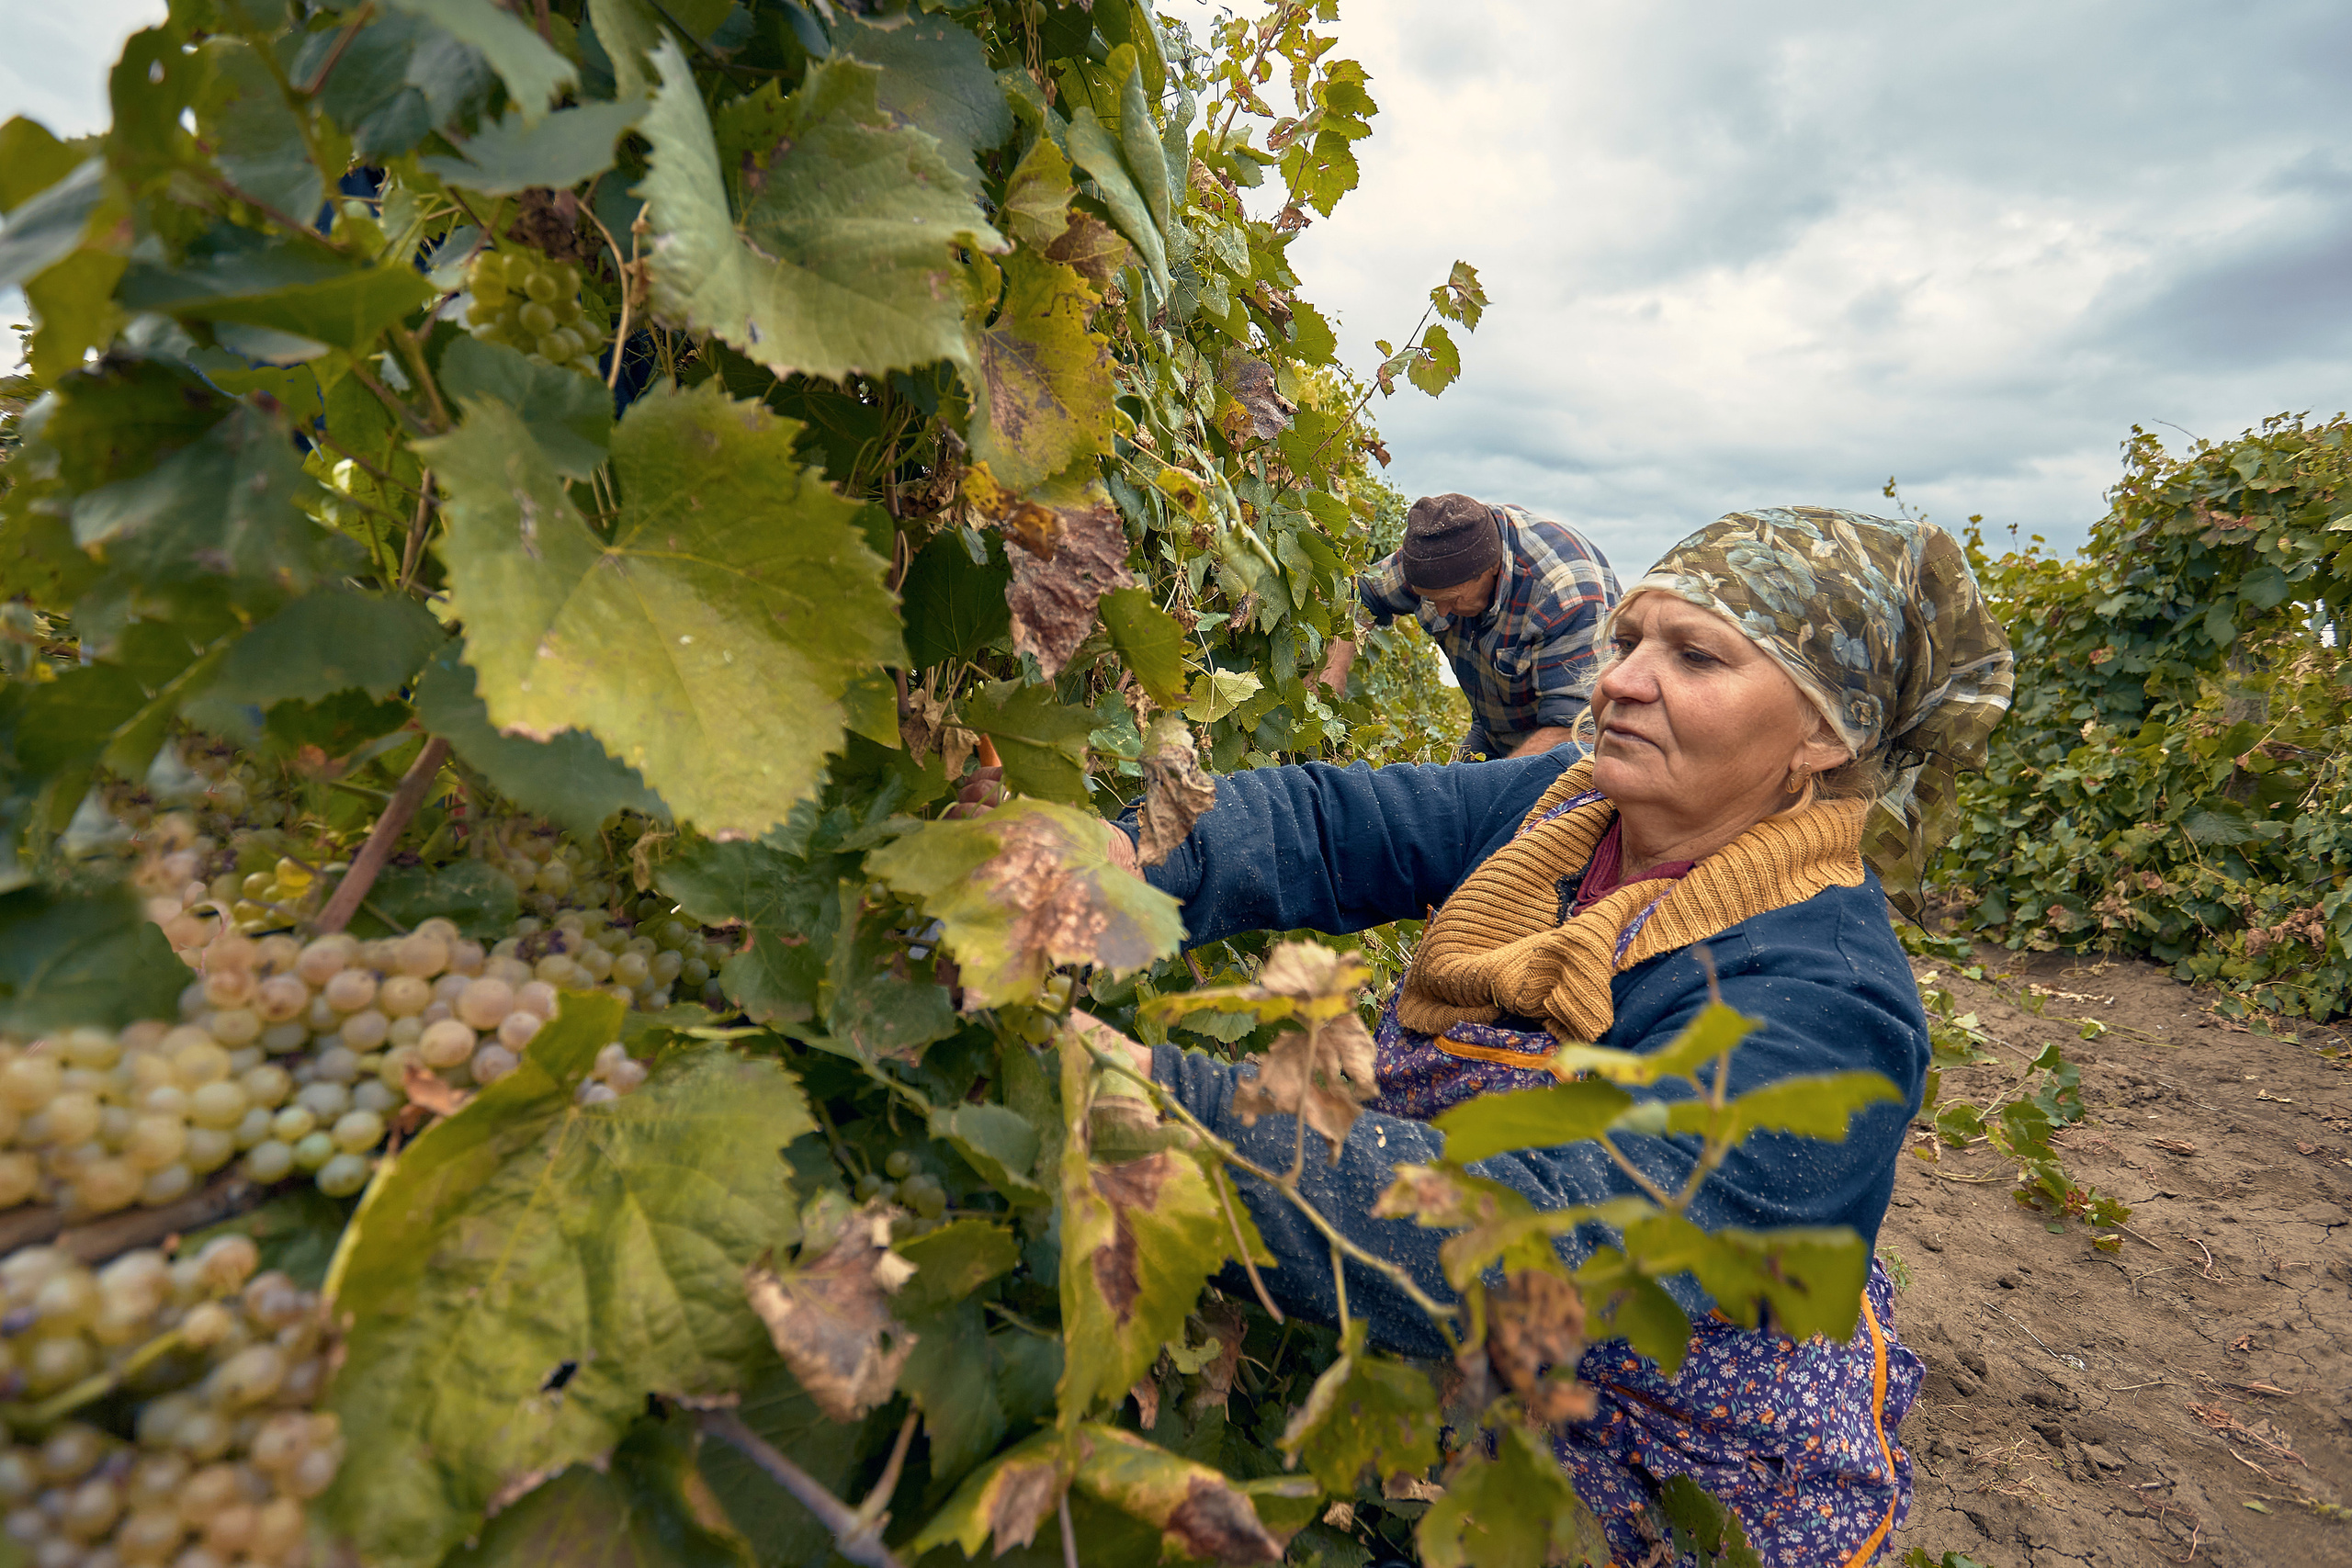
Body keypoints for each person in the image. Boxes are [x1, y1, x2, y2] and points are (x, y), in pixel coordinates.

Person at [1115, 507, 2015, 1564]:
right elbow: (1328, 825)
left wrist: (1152, 1102)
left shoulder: (1827, 1001)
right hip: (1464, 1336)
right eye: (1629, 641)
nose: (1622, 681)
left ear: (1825, 737)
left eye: (1695, 656)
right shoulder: (1567, 808)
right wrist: (1113, 863)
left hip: (1677, 1451)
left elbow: (1554, 1245)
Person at [1328, 492, 1620, 760]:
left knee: (1487, 811)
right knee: (1443, 802)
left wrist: (1485, 799)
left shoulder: (1564, 595)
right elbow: (1360, 595)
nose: (1441, 610)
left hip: (1575, 750)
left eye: (1452, 599)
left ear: (1490, 569)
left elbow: (1572, 732)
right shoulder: (1437, 553)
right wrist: (1331, 676)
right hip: (1493, 729)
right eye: (1430, 599)